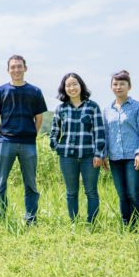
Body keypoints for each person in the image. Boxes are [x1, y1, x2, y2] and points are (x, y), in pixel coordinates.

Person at [0, 55, 47, 224]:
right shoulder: (0, 91)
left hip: (28, 143)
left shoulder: (35, 91)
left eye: (19, 66)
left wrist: (30, 134)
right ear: (8, 70)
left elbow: (39, 119)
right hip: (6, 142)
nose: (16, 70)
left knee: (30, 183)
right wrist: (3, 135)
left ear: (25, 68)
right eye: (13, 67)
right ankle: (1, 218)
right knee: (0, 183)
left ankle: (31, 218)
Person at [49, 73, 105, 223]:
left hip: (89, 156)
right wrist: (56, 146)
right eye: (68, 85)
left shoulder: (92, 107)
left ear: (81, 86)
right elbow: (55, 130)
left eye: (75, 84)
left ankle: (91, 223)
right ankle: (74, 223)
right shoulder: (61, 109)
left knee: (91, 191)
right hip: (67, 157)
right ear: (64, 88)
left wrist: (99, 154)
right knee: (71, 192)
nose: (72, 88)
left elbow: (99, 132)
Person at [103, 70, 139, 228]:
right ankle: (126, 225)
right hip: (115, 157)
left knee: (133, 193)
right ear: (111, 87)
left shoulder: (138, 107)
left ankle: (138, 226)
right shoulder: (107, 110)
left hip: (133, 157)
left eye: (122, 84)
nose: (118, 87)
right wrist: (103, 155)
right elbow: (106, 134)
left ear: (129, 86)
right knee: (122, 195)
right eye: (115, 84)